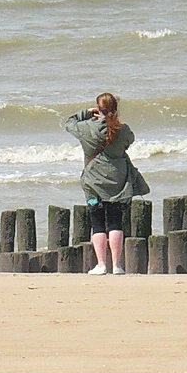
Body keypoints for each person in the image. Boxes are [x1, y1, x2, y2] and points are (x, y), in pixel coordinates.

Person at [64, 93, 136, 276]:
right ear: (115, 109)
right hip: (117, 180)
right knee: (115, 221)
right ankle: (117, 265)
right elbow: (130, 140)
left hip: (93, 182)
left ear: (98, 108)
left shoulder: (87, 128)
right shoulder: (123, 130)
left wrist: (86, 113)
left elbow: (68, 123)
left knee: (97, 223)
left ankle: (102, 265)